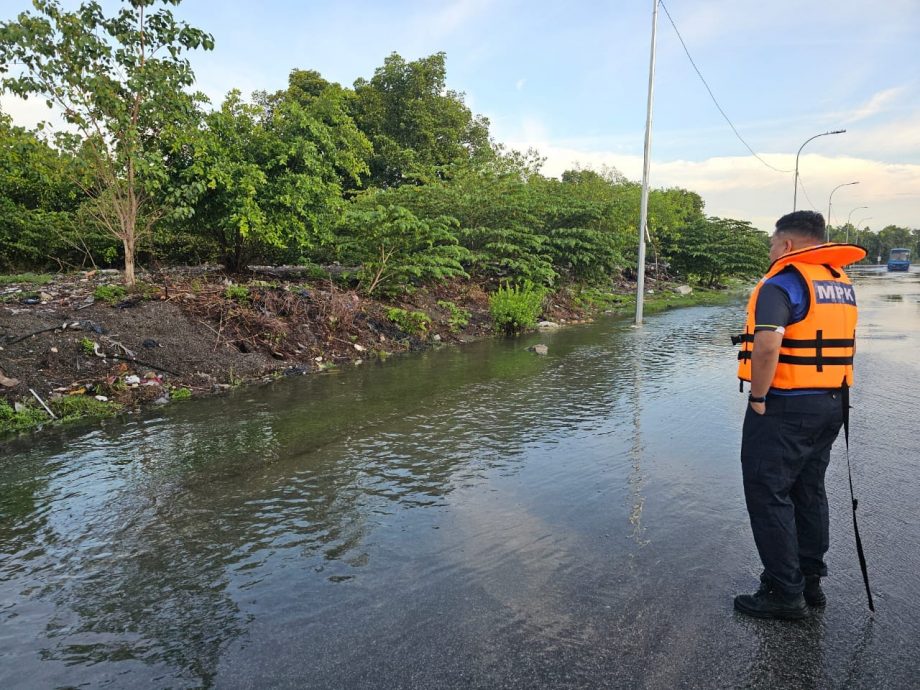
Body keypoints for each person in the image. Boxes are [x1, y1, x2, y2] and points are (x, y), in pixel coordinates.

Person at [732, 210, 866, 619]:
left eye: (772, 243)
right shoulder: (839, 284)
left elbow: (768, 346)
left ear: (787, 244)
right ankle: (810, 584)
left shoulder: (783, 282)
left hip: (786, 405)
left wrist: (758, 398)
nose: (770, 251)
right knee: (808, 490)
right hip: (831, 404)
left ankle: (783, 593)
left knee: (768, 492)